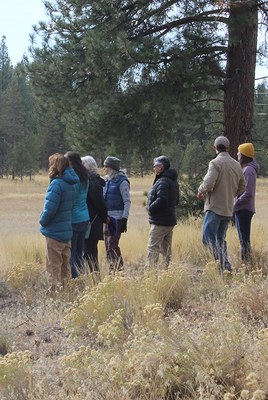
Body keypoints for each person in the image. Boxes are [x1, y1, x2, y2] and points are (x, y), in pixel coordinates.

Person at [197, 136, 245, 273]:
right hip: (228, 208)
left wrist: (201, 191)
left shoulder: (215, 163)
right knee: (220, 239)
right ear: (228, 148)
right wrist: (231, 194)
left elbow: (208, 183)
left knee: (207, 238)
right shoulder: (236, 164)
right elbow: (243, 186)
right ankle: (226, 267)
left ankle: (222, 265)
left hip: (214, 208)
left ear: (215, 147)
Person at [39, 153, 79, 289]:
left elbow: (50, 209)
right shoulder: (71, 184)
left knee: (53, 265)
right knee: (65, 265)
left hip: (54, 232)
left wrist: (42, 222)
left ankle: (54, 293)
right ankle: (67, 291)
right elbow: (72, 207)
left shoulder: (56, 184)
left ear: (55, 167)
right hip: (66, 232)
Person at [145, 155, 179, 269]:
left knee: (153, 247)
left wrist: (150, 208)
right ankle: (166, 272)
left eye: (155, 166)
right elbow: (177, 200)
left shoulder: (163, 181)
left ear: (161, 167)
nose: (154, 168)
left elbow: (162, 200)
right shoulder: (172, 180)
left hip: (160, 221)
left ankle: (149, 274)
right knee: (166, 250)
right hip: (169, 220)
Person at [103, 156, 131, 270]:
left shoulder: (122, 181)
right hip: (106, 219)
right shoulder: (107, 180)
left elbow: (127, 201)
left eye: (105, 166)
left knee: (112, 245)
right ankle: (112, 271)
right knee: (107, 247)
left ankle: (119, 272)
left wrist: (124, 219)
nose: (103, 168)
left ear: (111, 168)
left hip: (117, 219)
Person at [233, 143, 260, 263]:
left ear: (243, 155)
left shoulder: (248, 170)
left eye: (239, 152)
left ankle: (247, 263)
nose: (237, 154)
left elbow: (248, 192)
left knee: (244, 240)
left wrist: (236, 203)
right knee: (243, 239)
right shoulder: (246, 168)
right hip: (242, 208)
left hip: (244, 209)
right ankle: (246, 263)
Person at [81, 155, 108, 272]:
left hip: (90, 222)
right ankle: (91, 277)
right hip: (91, 221)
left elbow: (99, 203)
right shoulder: (91, 180)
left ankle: (94, 279)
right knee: (88, 252)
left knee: (90, 252)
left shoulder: (91, 182)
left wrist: (105, 217)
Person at [65, 151, 89, 278]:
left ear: (70, 163)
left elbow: (70, 199)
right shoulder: (85, 176)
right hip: (84, 217)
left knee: (71, 253)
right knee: (79, 252)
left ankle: (74, 279)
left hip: (73, 219)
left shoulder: (72, 178)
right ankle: (81, 277)